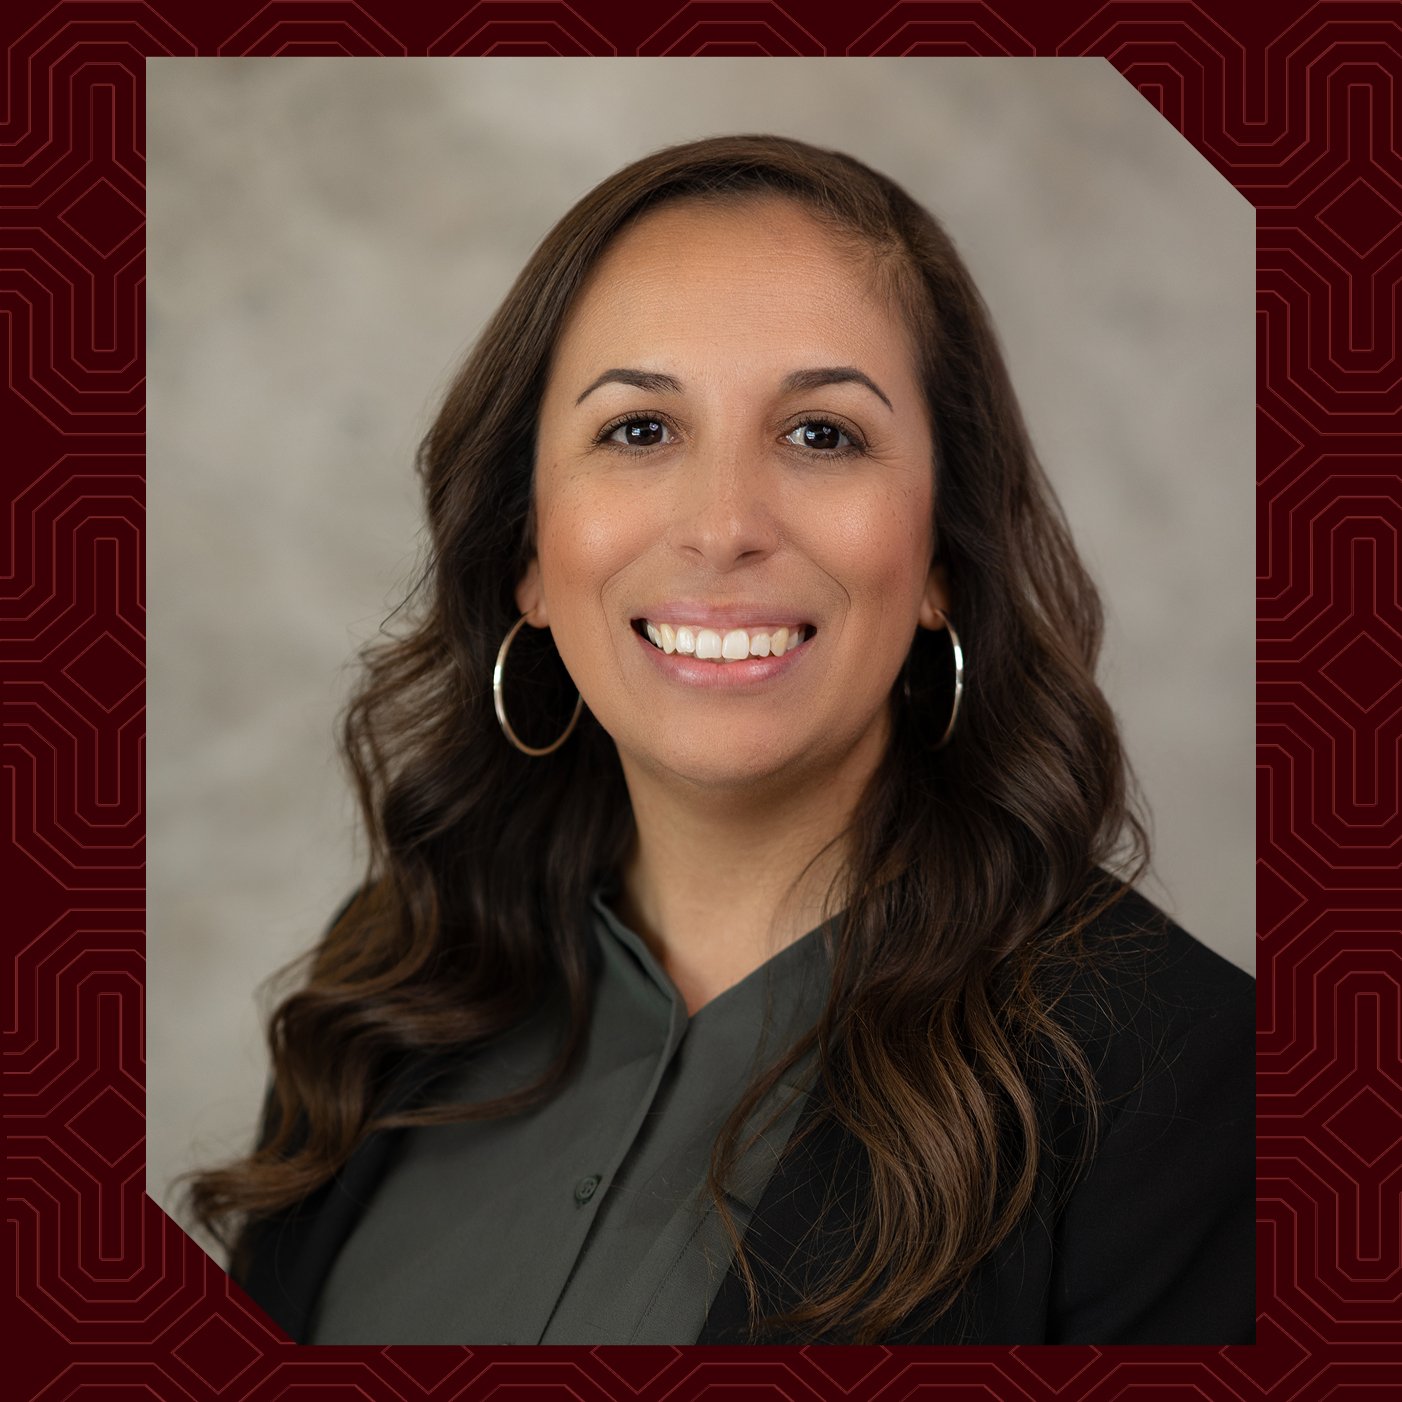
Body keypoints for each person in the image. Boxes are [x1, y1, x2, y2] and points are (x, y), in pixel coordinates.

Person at [183, 134, 1255, 1346]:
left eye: (821, 435)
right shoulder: (395, 996)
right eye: (639, 430)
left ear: (943, 557)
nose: (724, 525)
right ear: (529, 552)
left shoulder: (1189, 1080)